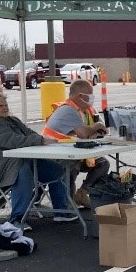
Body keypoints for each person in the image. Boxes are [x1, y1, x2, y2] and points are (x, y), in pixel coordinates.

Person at [0, 93, 76, 230]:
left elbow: (29, 133)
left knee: (56, 170)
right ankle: (17, 218)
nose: (4, 108)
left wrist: (38, 139)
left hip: (21, 159)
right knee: (23, 172)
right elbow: (12, 141)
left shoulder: (12, 120)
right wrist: (40, 140)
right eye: (0, 106)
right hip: (1, 165)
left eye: (6, 105)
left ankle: (61, 210)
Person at [43, 79, 110, 208]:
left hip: (72, 152)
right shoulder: (68, 110)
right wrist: (97, 126)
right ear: (80, 96)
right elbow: (84, 133)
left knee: (103, 163)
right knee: (72, 165)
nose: (92, 98)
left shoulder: (85, 110)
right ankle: (66, 200)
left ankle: (83, 192)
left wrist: (97, 129)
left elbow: (96, 131)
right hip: (54, 156)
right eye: (89, 95)